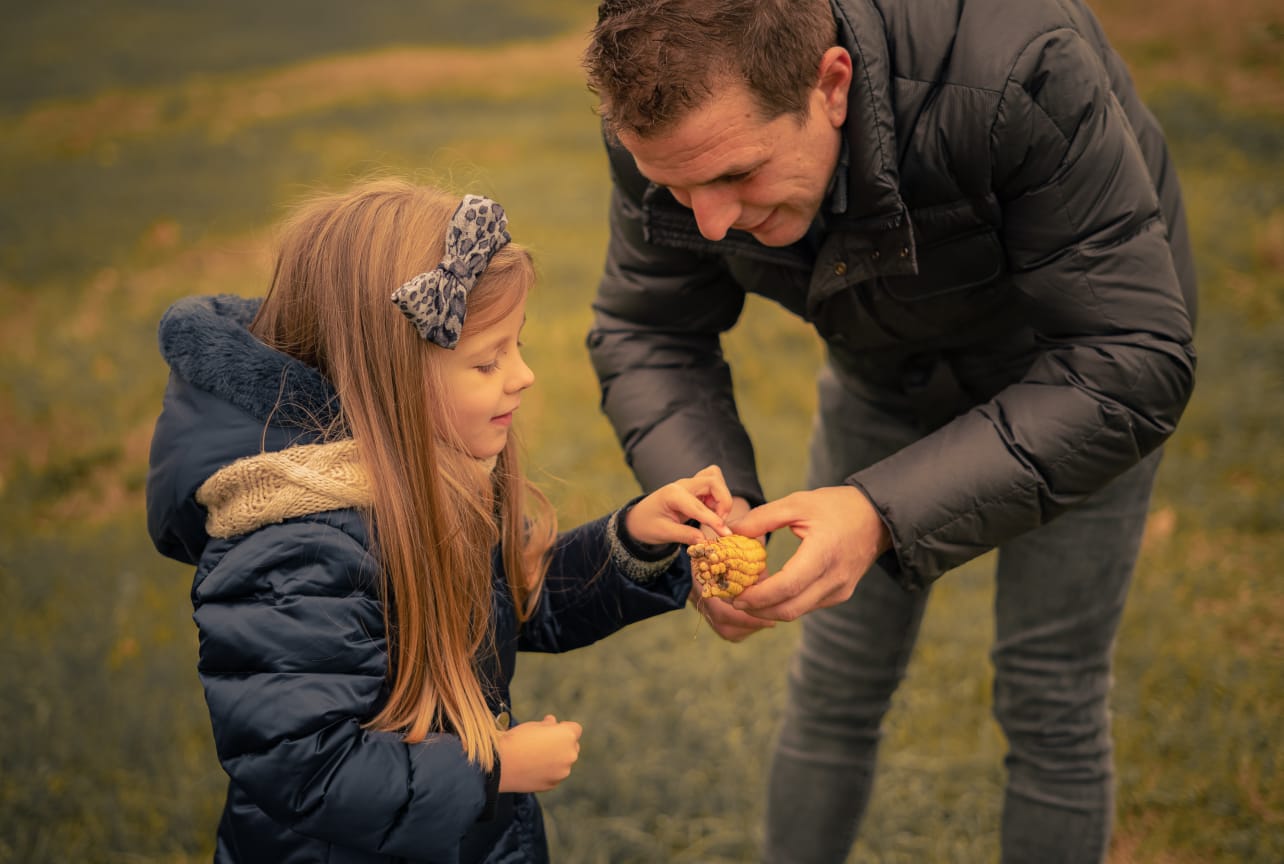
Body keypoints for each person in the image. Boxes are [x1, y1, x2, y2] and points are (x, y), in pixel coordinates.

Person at [583, 0, 1197, 861]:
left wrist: (879, 512)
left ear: (831, 84)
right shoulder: (663, 132)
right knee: (836, 680)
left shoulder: (1021, 63)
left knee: (1048, 693)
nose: (709, 223)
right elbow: (650, 330)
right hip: (887, 370)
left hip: (1079, 376)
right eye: (676, 189)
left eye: (736, 177)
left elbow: (1132, 357)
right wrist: (710, 510)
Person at [145, 178, 737, 863]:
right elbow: (304, 767)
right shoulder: (299, 547)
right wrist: (491, 773)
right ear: (389, 374)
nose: (523, 376)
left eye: (516, 347)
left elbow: (513, 603)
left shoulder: (424, 471)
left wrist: (634, 539)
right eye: (487, 360)